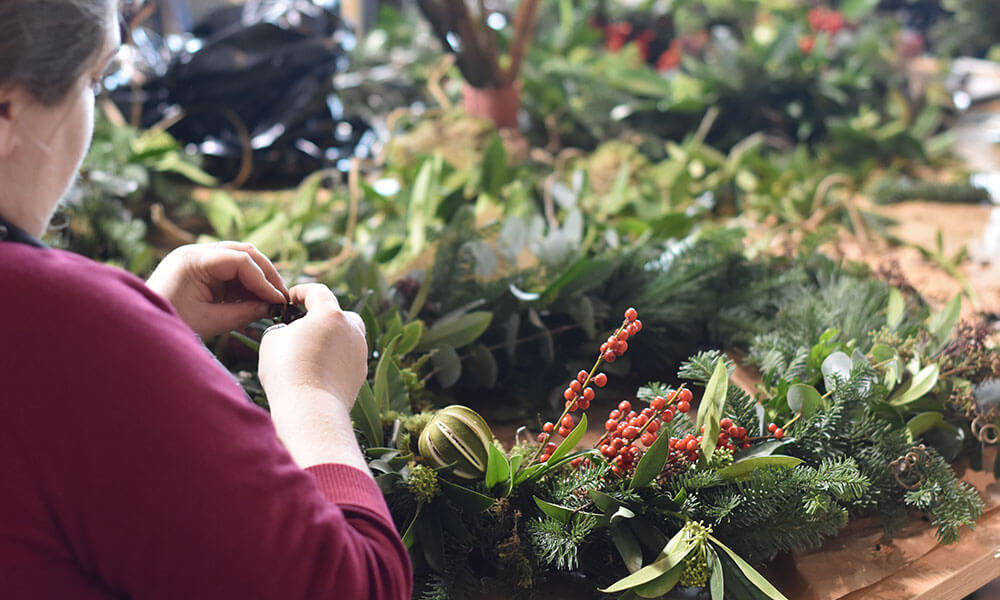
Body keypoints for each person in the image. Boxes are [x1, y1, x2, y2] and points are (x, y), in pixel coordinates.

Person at [0, 1, 412, 598]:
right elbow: (349, 586)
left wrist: (146, 325)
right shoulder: (58, 327)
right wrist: (312, 397)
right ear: (7, 110)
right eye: (93, 81)